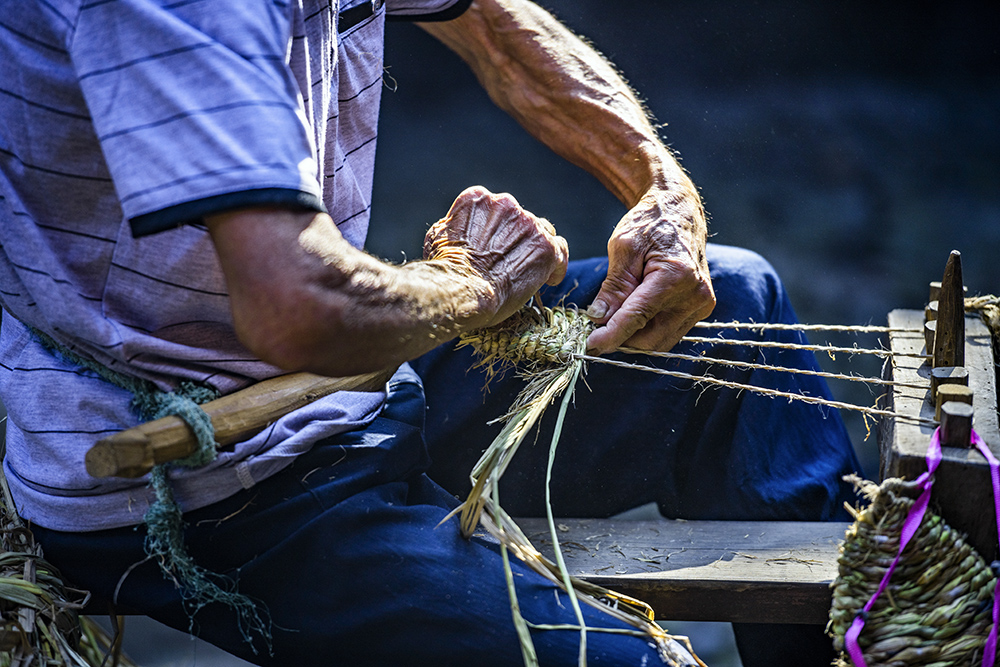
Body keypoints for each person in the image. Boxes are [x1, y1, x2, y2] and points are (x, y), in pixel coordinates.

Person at [0, 0, 860, 665]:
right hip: (210, 478)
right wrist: (471, 285)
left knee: (735, 303)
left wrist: (663, 190)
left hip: (363, 389)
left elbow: (494, 30)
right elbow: (296, 309)